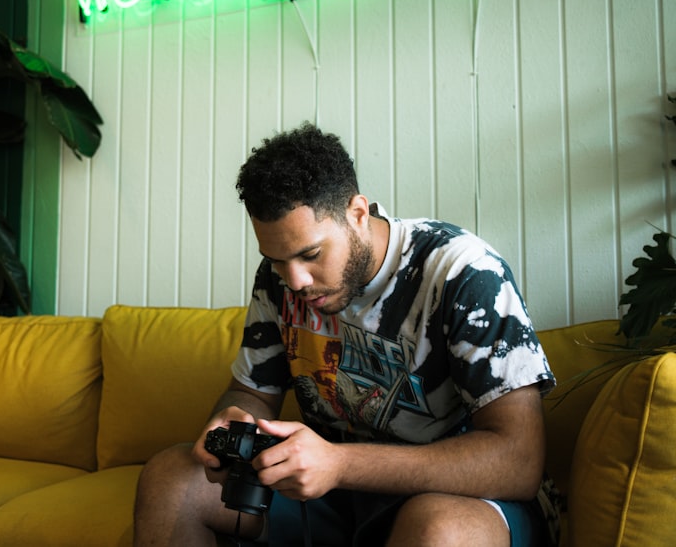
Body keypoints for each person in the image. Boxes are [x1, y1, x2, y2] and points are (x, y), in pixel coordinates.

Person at [133, 123, 560, 547]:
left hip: (453, 495)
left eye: (311, 254)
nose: (295, 280)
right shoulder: (279, 278)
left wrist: (338, 464)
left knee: (440, 531)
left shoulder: (464, 272)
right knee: (171, 479)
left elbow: (518, 459)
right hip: (332, 497)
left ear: (358, 213)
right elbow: (251, 394)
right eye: (277, 260)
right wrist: (233, 419)